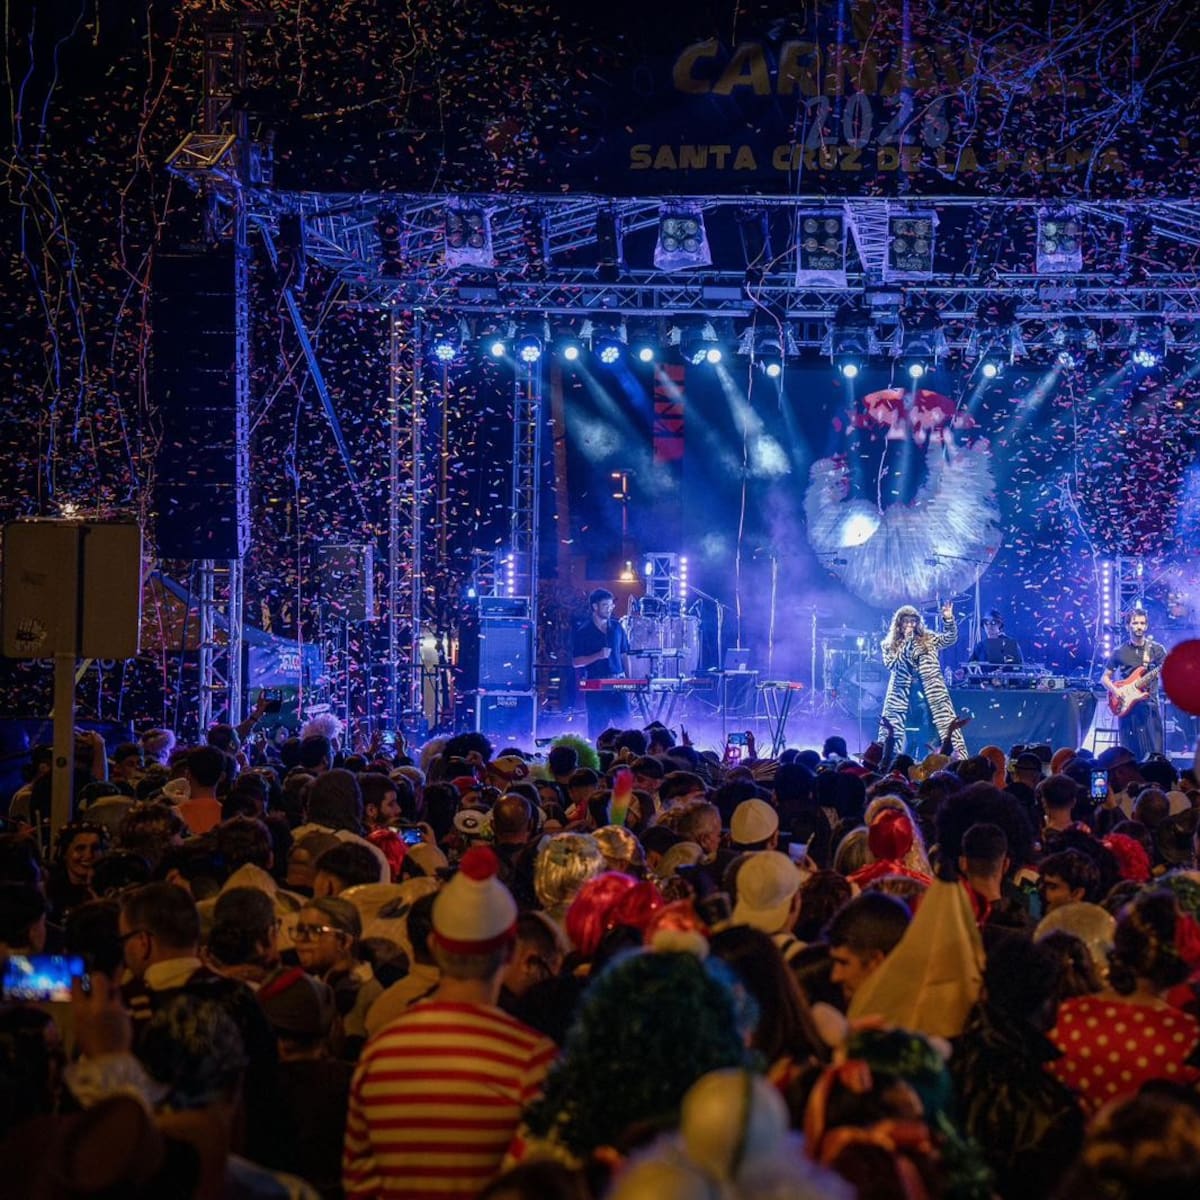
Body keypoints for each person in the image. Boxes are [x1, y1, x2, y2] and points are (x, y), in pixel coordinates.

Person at [877, 602, 968, 757]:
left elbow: (950, 638)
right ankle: (896, 764)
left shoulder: (929, 638)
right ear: (899, 623)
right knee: (899, 734)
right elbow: (894, 666)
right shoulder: (888, 645)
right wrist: (907, 644)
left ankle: (938, 762)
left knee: (935, 731)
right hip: (903, 697)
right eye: (906, 621)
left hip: (930, 694)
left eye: (913, 621)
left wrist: (948, 619)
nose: (910, 625)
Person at [1101, 607, 1167, 758]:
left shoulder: (1156, 649)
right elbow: (1104, 678)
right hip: (1126, 708)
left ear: (1146, 626)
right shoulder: (1119, 651)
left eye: (1142, 623)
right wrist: (1116, 691)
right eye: (1135, 623)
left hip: (1149, 706)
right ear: (1128, 626)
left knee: (1154, 753)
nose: (1139, 626)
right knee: (1129, 753)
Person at [572, 588, 632, 740]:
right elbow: (576, 662)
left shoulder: (617, 627)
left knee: (626, 728)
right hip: (597, 686)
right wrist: (597, 656)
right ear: (595, 607)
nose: (609, 609)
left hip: (619, 684)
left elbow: (625, 655)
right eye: (605, 605)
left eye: (611, 605)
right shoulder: (583, 631)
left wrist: (629, 681)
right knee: (597, 730)